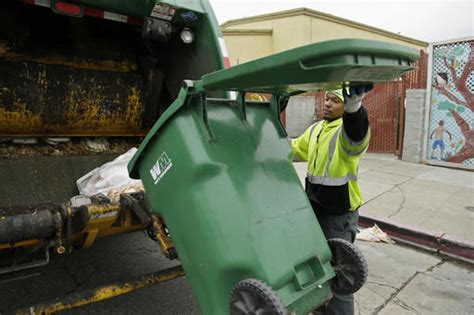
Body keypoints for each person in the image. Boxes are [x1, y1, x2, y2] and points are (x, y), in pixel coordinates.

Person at [290, 85, 373, 315]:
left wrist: (354, 108)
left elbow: (356, 139)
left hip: (339, 215)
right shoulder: (317, 129)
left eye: (335, 101)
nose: (327, 104)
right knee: (318, 269)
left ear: (344, 105)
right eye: (326, 99)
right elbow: (295, 149)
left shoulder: (345, 132)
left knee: (339, 279)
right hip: (316, 209)